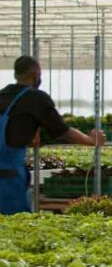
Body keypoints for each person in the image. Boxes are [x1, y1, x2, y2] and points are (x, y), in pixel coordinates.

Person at [1, 56, 106, 215]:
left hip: (8, 170)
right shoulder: (37, 99)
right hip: (9, 178)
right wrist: (91, 140)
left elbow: (14, 126)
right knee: (12, 221)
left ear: (16, 74)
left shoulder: (3, 96)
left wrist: (30, 134)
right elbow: (63, 131)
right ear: (36, 74)